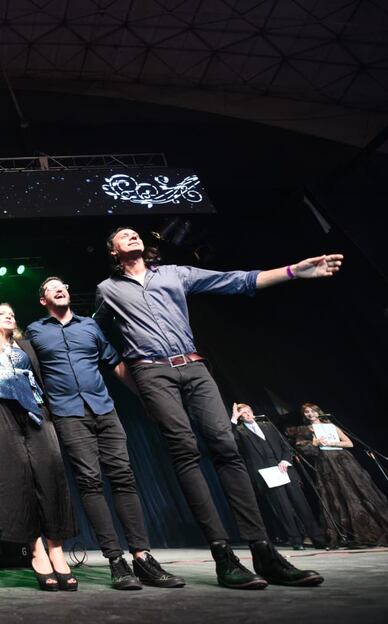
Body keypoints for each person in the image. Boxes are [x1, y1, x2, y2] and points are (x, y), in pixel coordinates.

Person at [94, 227, 340, 589]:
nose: (132, 236)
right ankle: (223, 556)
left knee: (226, 448)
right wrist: (130, 377)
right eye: (124, 236)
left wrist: (292, 271)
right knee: (185, 452)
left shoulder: (175, 273)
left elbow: (235, 281)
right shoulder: (107, 290)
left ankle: (264, 551)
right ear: (113, 251)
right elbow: (97, 334)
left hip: (193, 366)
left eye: (135, 233)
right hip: (151, 372)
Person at [26, 278, 185, 590]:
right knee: (90, 482)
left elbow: (115, 363)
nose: (61, 289)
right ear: (43, 300)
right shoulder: (35, 331)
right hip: (67, 414)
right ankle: (116, 560)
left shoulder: (90, 327)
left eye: (64, 285)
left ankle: (142, 557)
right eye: (52, 287)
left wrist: (147, 400)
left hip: (104, 410)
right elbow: (30, 372)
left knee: (123, 477)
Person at [0, 303, 78, 591]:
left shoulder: (25, 345)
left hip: (35, 408)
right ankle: (37, 549)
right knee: (14, 478)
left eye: (12, 313)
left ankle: (56, 548)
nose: (9, 315)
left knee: (50, 473)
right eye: (2, 312)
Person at [286, 403, 388, 546]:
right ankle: (346, 534)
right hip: (325, 463)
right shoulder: (303, 429)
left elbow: (349, 443)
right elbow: (302, 448)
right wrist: (314, 443)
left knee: (355, 491)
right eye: (307, 412)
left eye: (313, 411)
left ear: (318, 412)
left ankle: (371, 528)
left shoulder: (331, 426)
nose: (310, 414)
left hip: (344, 461)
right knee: (336, 495)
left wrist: (333, 442)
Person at [230, 403, 326, 550]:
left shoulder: (268, 425)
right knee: (283, 508)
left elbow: (285, 446)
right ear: (240, 417)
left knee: (301, 504)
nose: (247, 415)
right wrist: (234, 420)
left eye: (248, 411)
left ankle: (317, 538)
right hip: (266, 472)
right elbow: (230, 440)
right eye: (243, 413)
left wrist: (285, 460)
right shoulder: (240, 431)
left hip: (284, 468)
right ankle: (296, 540)